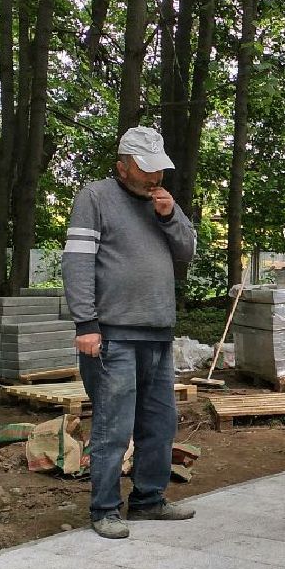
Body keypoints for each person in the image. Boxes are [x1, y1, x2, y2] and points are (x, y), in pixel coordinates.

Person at [63, 127, 198, 539]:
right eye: (147, 170)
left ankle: (148, 501)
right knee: (113, 425)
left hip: (158, 332)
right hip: (113, 334)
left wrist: (170, 216)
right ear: (123, 166)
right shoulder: (96, 197)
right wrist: (85, 323)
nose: (156, 179)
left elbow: (188, 250)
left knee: (160, 423)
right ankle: (104, 508)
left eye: (160, 170)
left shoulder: (163, 204)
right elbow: (78, 262)